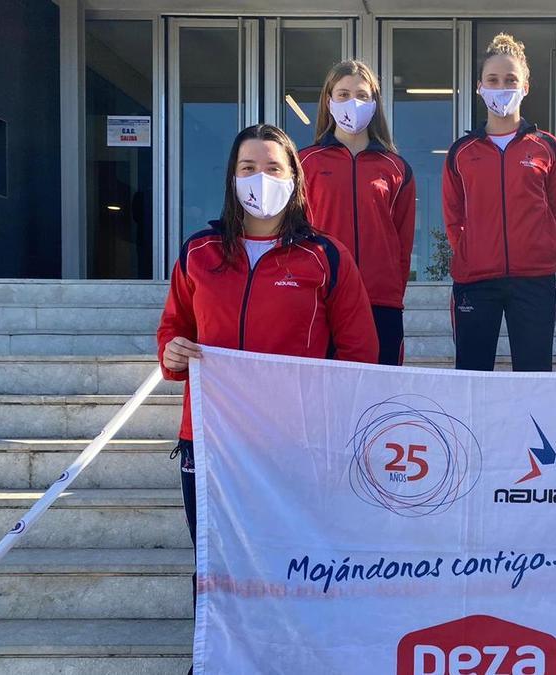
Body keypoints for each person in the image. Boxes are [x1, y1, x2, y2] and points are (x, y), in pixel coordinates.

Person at [155, 125, 379, 656]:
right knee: (214, 565)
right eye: (248, 168)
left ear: (294, 178)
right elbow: (174, 330)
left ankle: (294, 658)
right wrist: (172, 354)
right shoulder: (199, 252)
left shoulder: (326, 256)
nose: (260, 179)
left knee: (292, 560)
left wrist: (333, 425)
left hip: (293, 444)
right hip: (211, 440)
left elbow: (359, 353)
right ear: (232, 177)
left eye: (273, 168)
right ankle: (215, 660)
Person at [442, 33, 556, 372]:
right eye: (493, 79)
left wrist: (538, 248)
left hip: (533, 280)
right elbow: (453, 217)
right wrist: (472, 250)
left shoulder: (548, 147)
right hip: (475, 281)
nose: (502, 86)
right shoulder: (462, 152)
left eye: (511, 79)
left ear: (525, 86)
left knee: (533, 376)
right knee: (472, 375)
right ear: (479, 87)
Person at [300, 60, 416, 366]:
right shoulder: (304, 163)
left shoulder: (396, 168)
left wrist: (391, 290)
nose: (353, 102)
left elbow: (403, 244)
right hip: (321, 298)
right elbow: (292, 235)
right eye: (343, 94)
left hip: (380, 301)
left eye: (362, 95)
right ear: (329, 101)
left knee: (381, 402)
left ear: (375, 103)